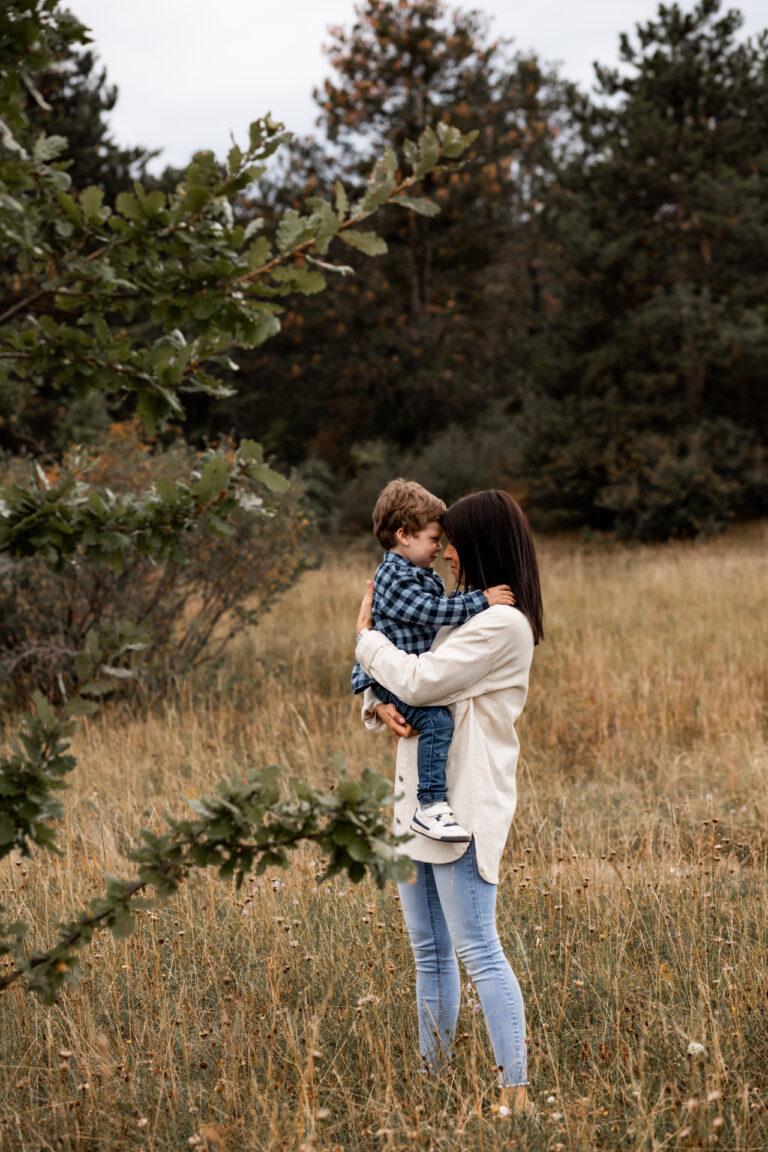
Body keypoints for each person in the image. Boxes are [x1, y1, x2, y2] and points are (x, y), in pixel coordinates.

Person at [354, 489, 543, 1116]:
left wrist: (362, 639)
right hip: (415, 804)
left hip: (460, 806)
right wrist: (373, 699)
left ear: (480, 544)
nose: (446, 553)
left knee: (478, 949)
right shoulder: (456, 614)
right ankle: (431, 1083)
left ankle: (513, 1091)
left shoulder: (501, 625)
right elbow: (404, 679)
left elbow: (421, 678)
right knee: (429, 953)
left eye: (453, 540)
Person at [351, 478, 515, 842]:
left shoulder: (416, 573)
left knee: (436, 721)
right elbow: (429, 612)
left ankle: (429, 805)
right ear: (404, 535)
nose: (440, 550)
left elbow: (378, 635)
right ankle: (431, 806)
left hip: (397, 676)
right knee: (438, 722)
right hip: (400, 681)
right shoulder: (395, 576)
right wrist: (481, 601)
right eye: (434, 539)